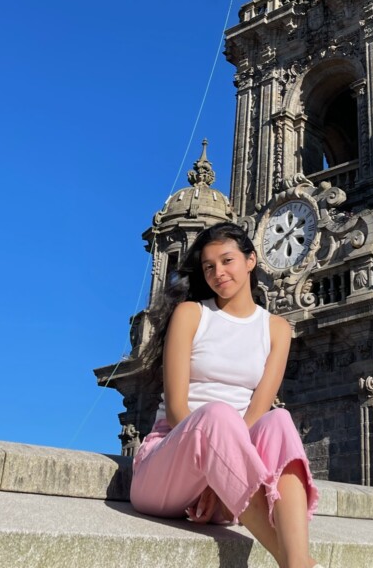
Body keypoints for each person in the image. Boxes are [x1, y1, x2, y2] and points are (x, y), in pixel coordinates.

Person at [130, 222, 323, 568]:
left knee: (278, 419)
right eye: (209, 267)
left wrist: (220, 475)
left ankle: (296, 555)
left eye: (227, 260)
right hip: (166, 467)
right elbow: (175, 410)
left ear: (250, 261)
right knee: (218, 414)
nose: (218, 272)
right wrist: (211, 467)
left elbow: (258, 409)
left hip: (227, 488)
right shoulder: (191, 314)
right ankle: (293, 563)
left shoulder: (277, 329)